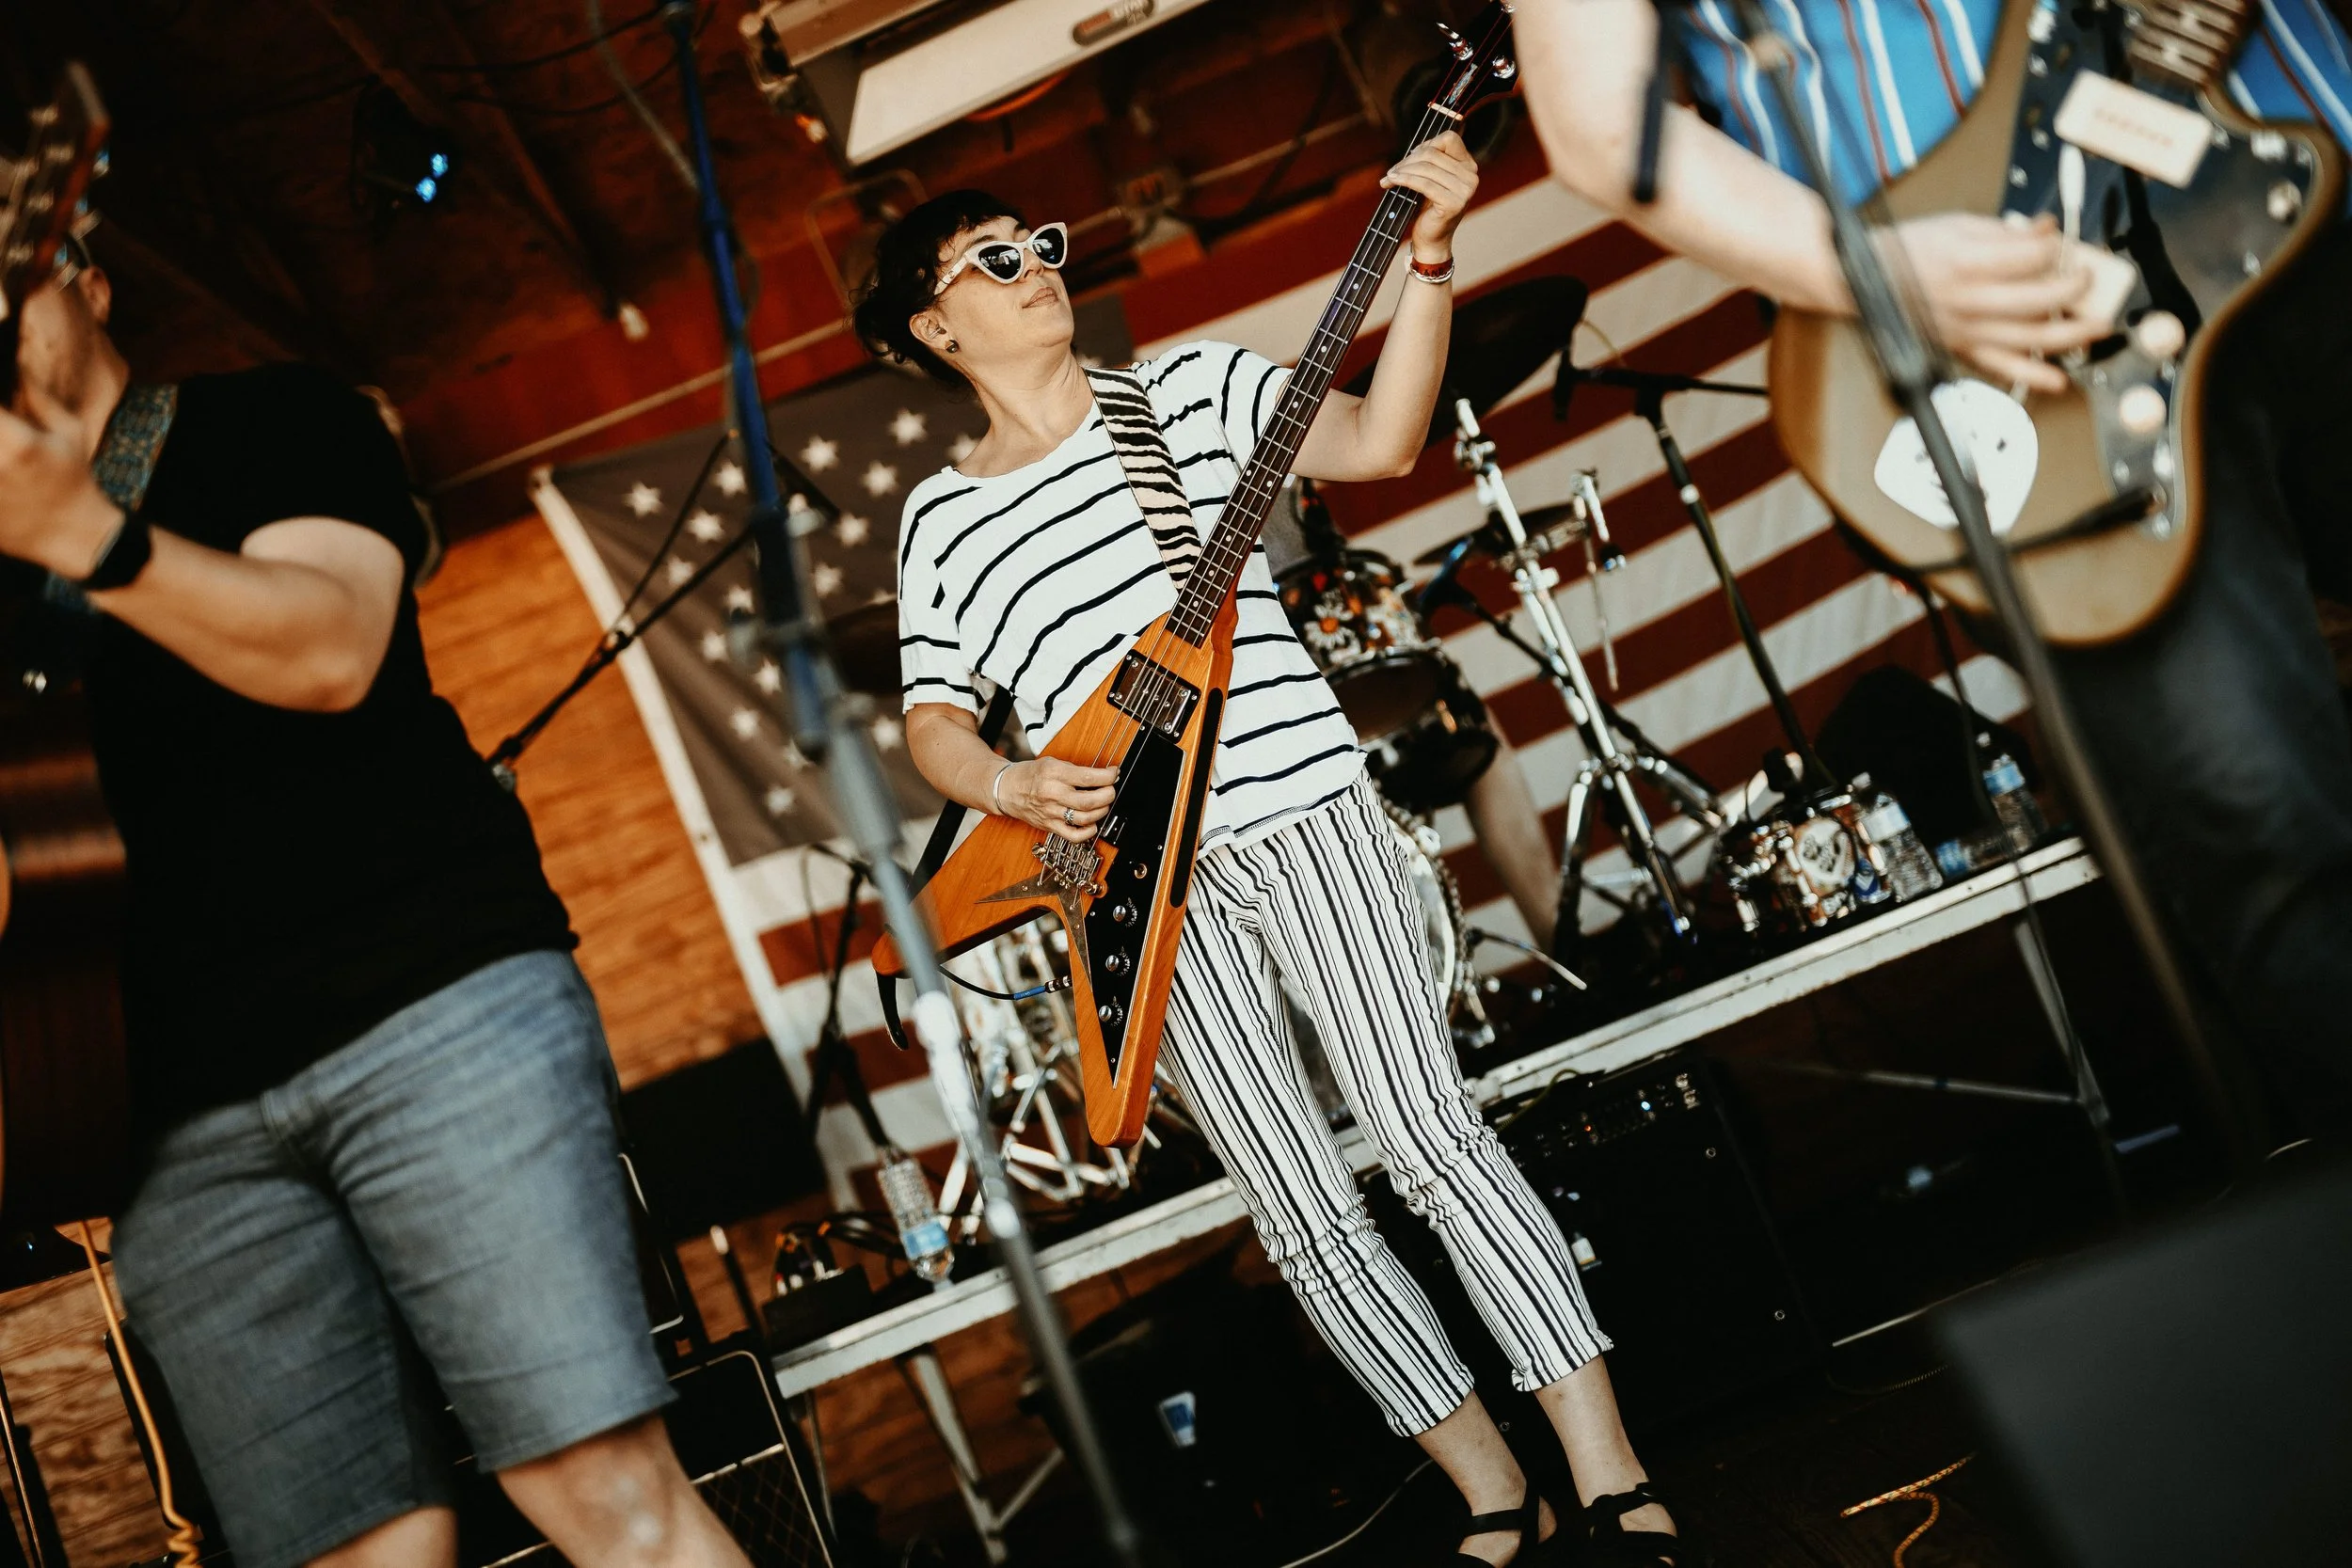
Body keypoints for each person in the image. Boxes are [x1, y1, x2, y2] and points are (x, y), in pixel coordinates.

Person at [862, 143, 1685, 1567]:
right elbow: (933, 722)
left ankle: (1609, 1472)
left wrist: (1424, 259)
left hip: (1300, 814)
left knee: (1431, 1136)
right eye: (996, 256)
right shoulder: (940, 518)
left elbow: (1379, 441)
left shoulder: (1183, 388)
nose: (1038, 263)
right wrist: (1005, 776)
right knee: (1298, 1206)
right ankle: (1495, 1491)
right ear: (935, 328)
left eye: (1041, 237)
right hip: (1141, 888)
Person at [0, 237, 751, 1568]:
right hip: (162, 1121)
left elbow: (332, 648)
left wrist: (81, 532)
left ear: (85, 269)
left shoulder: (278, 420)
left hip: (432, 1010)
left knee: (604, 1496)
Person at [1515, 0, 2352, 1137]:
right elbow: (1600, 123)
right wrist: (1878, 273)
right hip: (2012, 332)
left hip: (2314, 169)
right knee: (2264, 824)